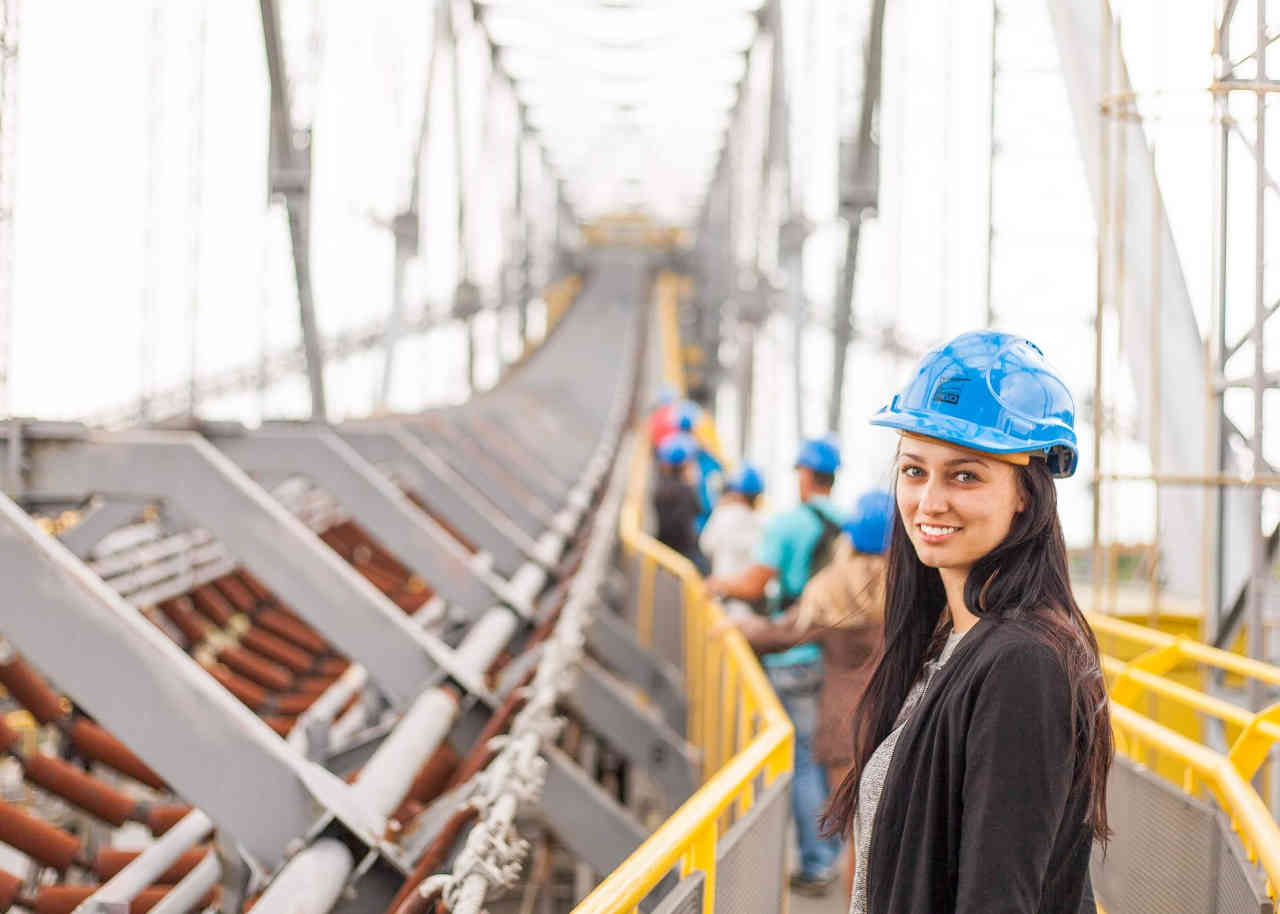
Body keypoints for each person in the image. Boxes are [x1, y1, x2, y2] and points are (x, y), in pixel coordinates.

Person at [823, 330, 1110, 914]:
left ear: (1025, 494)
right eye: (913, 471)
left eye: (965, 475)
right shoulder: (948, 644)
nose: (929, 502)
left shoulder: (1023, 664)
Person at [724, 488, 891, 893]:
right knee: (886, 837)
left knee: (858, 836)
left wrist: (736, 626)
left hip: (842, 724)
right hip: (895, 718)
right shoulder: (912, 590)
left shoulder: (833, 587)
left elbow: (783, 634)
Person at [705, 436, 846, 895]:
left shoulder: (788, 525)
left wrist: (719, 585)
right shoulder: (847, 526)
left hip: (791, 653)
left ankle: (816, 860)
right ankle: (834, 855)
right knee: (824, 756)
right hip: (837, 656)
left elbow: (753, 584)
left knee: (801, 760)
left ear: (804, 475)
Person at [699, 465, 766, 618]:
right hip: (750, 606)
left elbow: (705, 546)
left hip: (723, 597)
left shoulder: (723, 515)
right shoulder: (761, 522)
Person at [651, 433, 708, 573]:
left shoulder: (660, 488)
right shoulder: (686, 491)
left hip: (664, 548)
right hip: (685, 551)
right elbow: (699, 510)